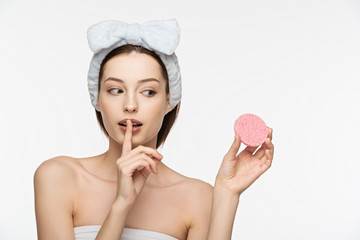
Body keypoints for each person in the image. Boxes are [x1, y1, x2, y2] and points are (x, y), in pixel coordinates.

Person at [34, 19, 274, 240]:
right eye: (116, 90)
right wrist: (121, 204)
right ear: (97, 99)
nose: (130, 105)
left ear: (170, 100)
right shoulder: (58, 176)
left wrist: (227, 195)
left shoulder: (198, 196)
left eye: (148, 91)